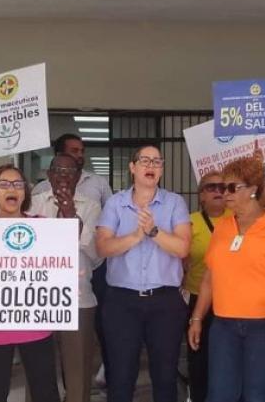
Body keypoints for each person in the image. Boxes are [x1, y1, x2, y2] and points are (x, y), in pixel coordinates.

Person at [187, 155, 265, 402]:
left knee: (257, 395)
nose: (224, 193)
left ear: (253, 189)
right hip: (223, 327)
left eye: (232, 187)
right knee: (219, 394)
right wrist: (197, 317)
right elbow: (210, 276)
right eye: (220, 187)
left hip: (263, 328)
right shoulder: (222, 228)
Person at [96, 144, 191, 402]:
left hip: (165, 302)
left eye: (157, 162)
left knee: (165, 375)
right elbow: (103, 246)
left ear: (161, 169)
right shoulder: (116, 204)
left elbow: (182, 248)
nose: (151, 166)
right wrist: (137, 235)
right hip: (122, 302)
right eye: (145, 161)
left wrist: (154, 232)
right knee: (121, 374)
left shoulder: (174, 203)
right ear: (132, 167)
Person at [0, 164, 59, 402]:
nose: (13, 189)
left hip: (36, 326)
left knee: (46, 393)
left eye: (18, 184)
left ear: (25, 193)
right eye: (4, 184)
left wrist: (65, 280)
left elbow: (56, 270)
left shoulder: (43, 226)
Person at [28, 154, 103, 402]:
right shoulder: (33, 204)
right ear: (48, 175)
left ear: (78, 177)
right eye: (58, 170)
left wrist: (72, 218)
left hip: (78, 299)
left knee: (77, 373)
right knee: (38, 372)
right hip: (37, 300)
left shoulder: (91, 206)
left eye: (70, 171)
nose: (63, 176)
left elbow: (96, 257)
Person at [183, 171, 231, 402]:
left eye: (223, 187)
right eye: (211, 187)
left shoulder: (238, 218)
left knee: (228, 357)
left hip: (231, 300)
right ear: (201, 195)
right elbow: (181, 260)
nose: (219, 192)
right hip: (197, 299)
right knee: (199, 356)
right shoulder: (190, 222)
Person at [33, 133, 113, 206]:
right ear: (59, 154)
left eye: (82, 151)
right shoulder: (41, 188)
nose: (80, 155)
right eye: (74, 151)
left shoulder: (99, 182)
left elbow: (111, 211)